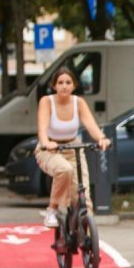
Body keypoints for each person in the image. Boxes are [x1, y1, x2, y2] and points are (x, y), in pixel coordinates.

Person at [35, 67, 111, 227]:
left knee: (84, 199)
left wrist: (102, 138)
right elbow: (42, 129)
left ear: (74, 85)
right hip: (50, 150)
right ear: (54, 85)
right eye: (60, 82)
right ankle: (52, 210)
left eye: (68, 82)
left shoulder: (79, 102)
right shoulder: (46, 102)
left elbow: (92, 126)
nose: (64, 86)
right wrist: (46, 143)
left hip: (73, 148)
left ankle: (88, 241)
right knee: (64, 169)